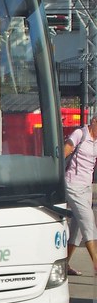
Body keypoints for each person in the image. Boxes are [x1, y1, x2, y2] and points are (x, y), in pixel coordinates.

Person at [62, 116, 97, 274]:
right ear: (94, 121)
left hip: (86, 188)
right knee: (88, 223)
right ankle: (96, 264)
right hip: (73, 185)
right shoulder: (79, 134)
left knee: (77, 229)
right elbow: (64, 152)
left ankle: (65, 264)